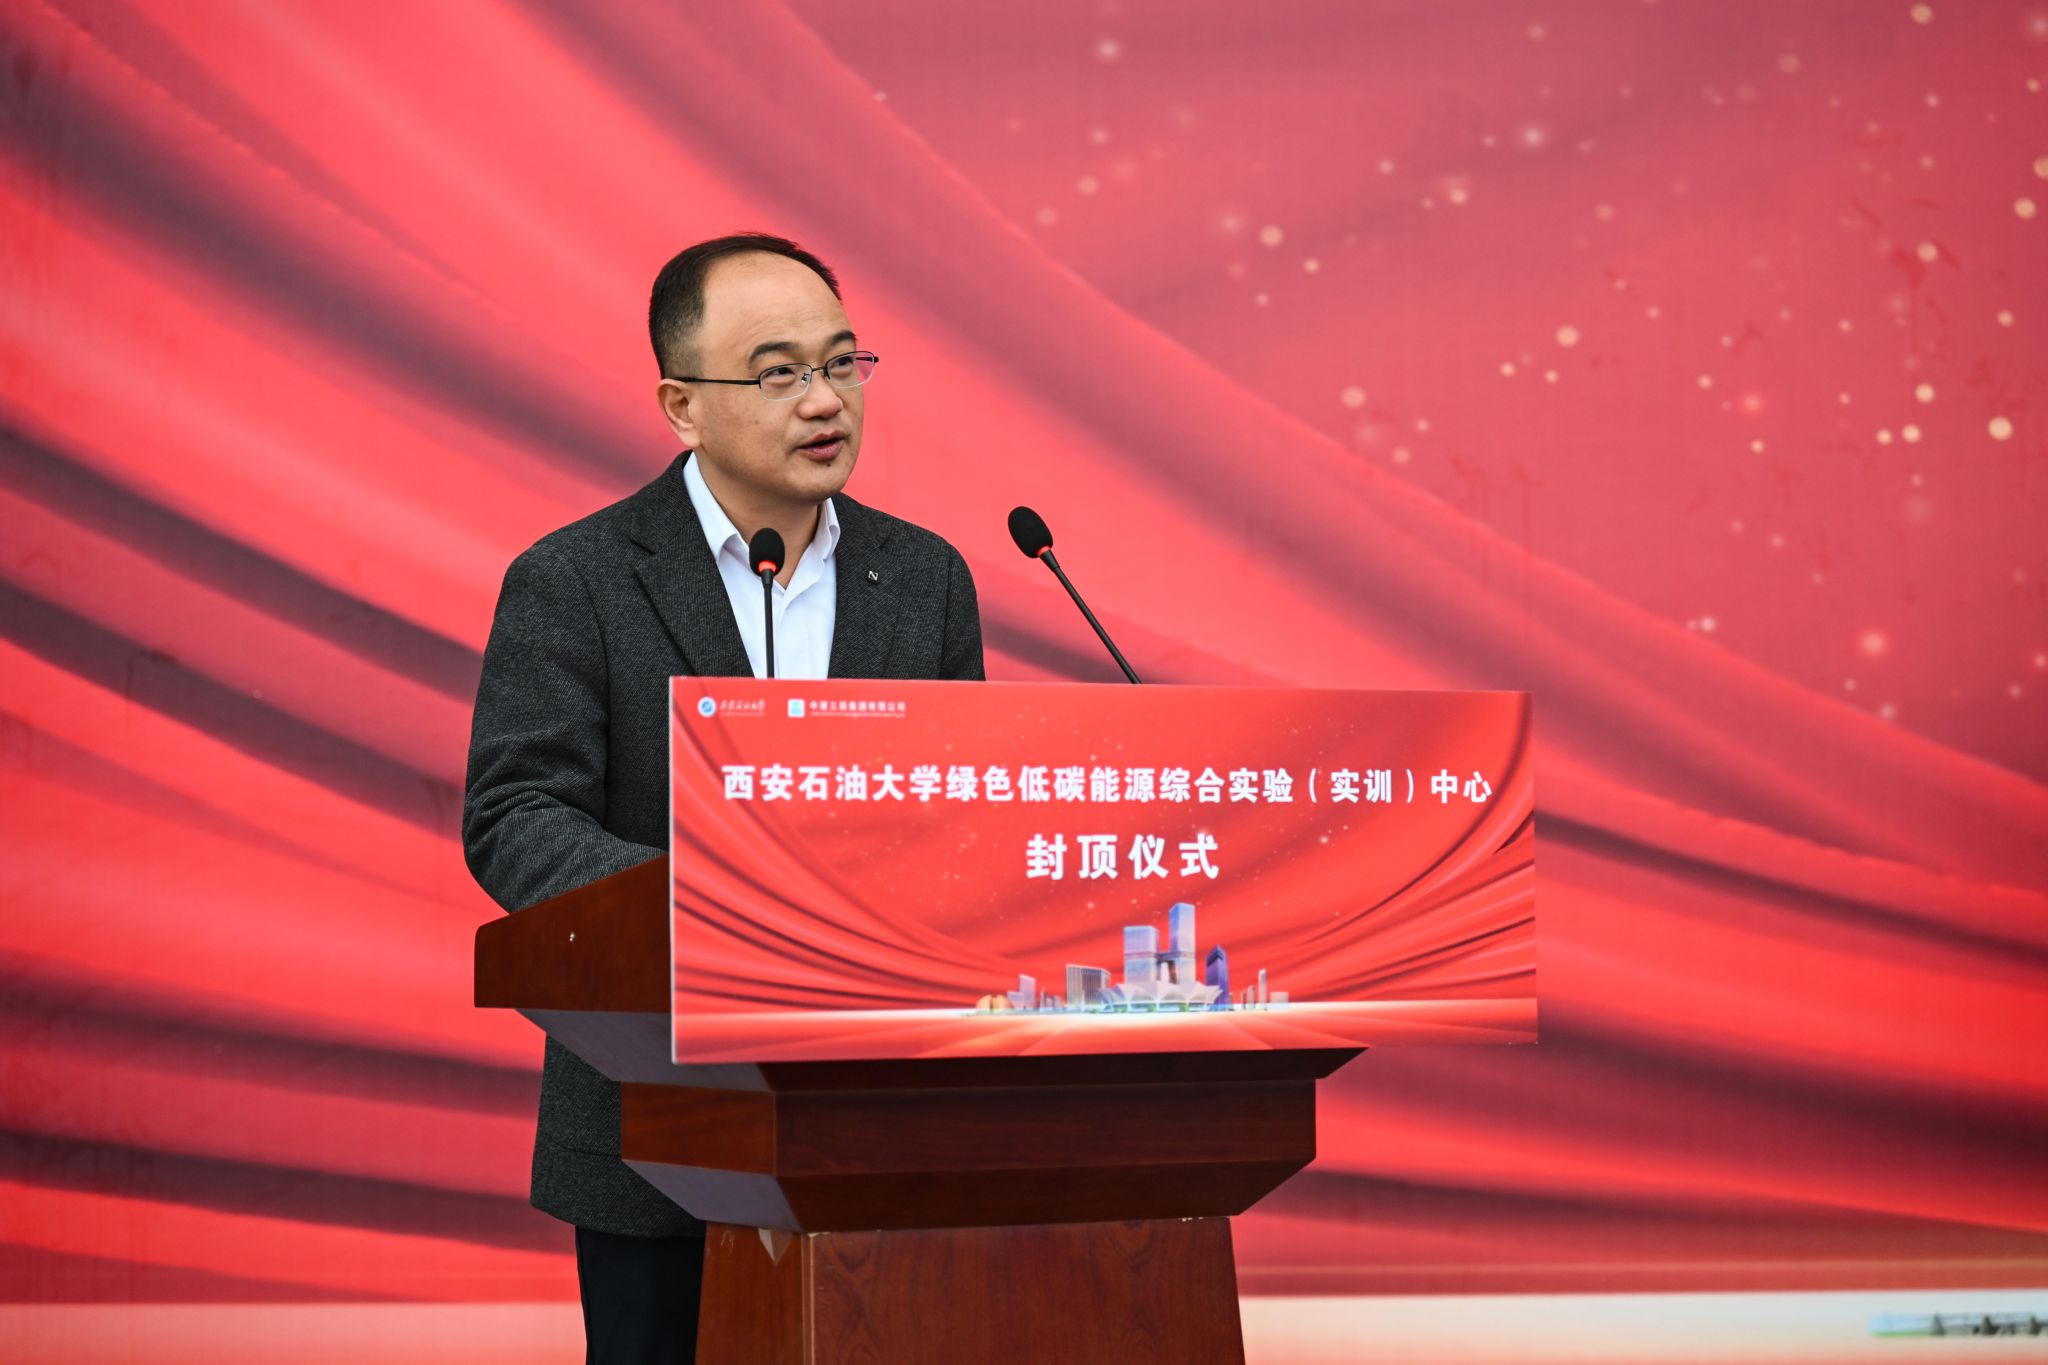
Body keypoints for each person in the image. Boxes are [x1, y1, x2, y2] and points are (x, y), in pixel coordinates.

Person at [461, 232, 986, 1363]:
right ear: (682, 407)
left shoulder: (925, 577)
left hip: (884, 1117)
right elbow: (516, 816)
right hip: (659, 1115)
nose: (824, 400)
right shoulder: (576, 579)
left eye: (841, 363)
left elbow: (959, 818)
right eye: (778, 372)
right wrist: (712, 906)